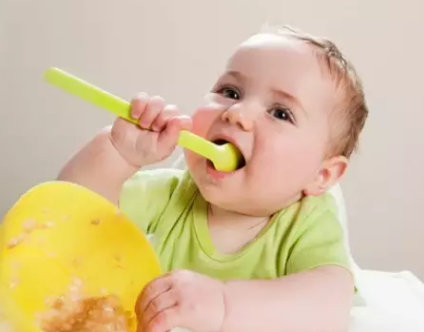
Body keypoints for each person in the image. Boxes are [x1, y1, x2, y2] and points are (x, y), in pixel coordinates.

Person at [57, 25, 369, 332]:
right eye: (230, 92)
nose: (238, 113)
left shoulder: (308, 220)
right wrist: (117, 154)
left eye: (280, 113)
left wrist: (223, 304)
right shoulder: (173, 194)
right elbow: (69, 215)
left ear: (322, 175)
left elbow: (330, 304)